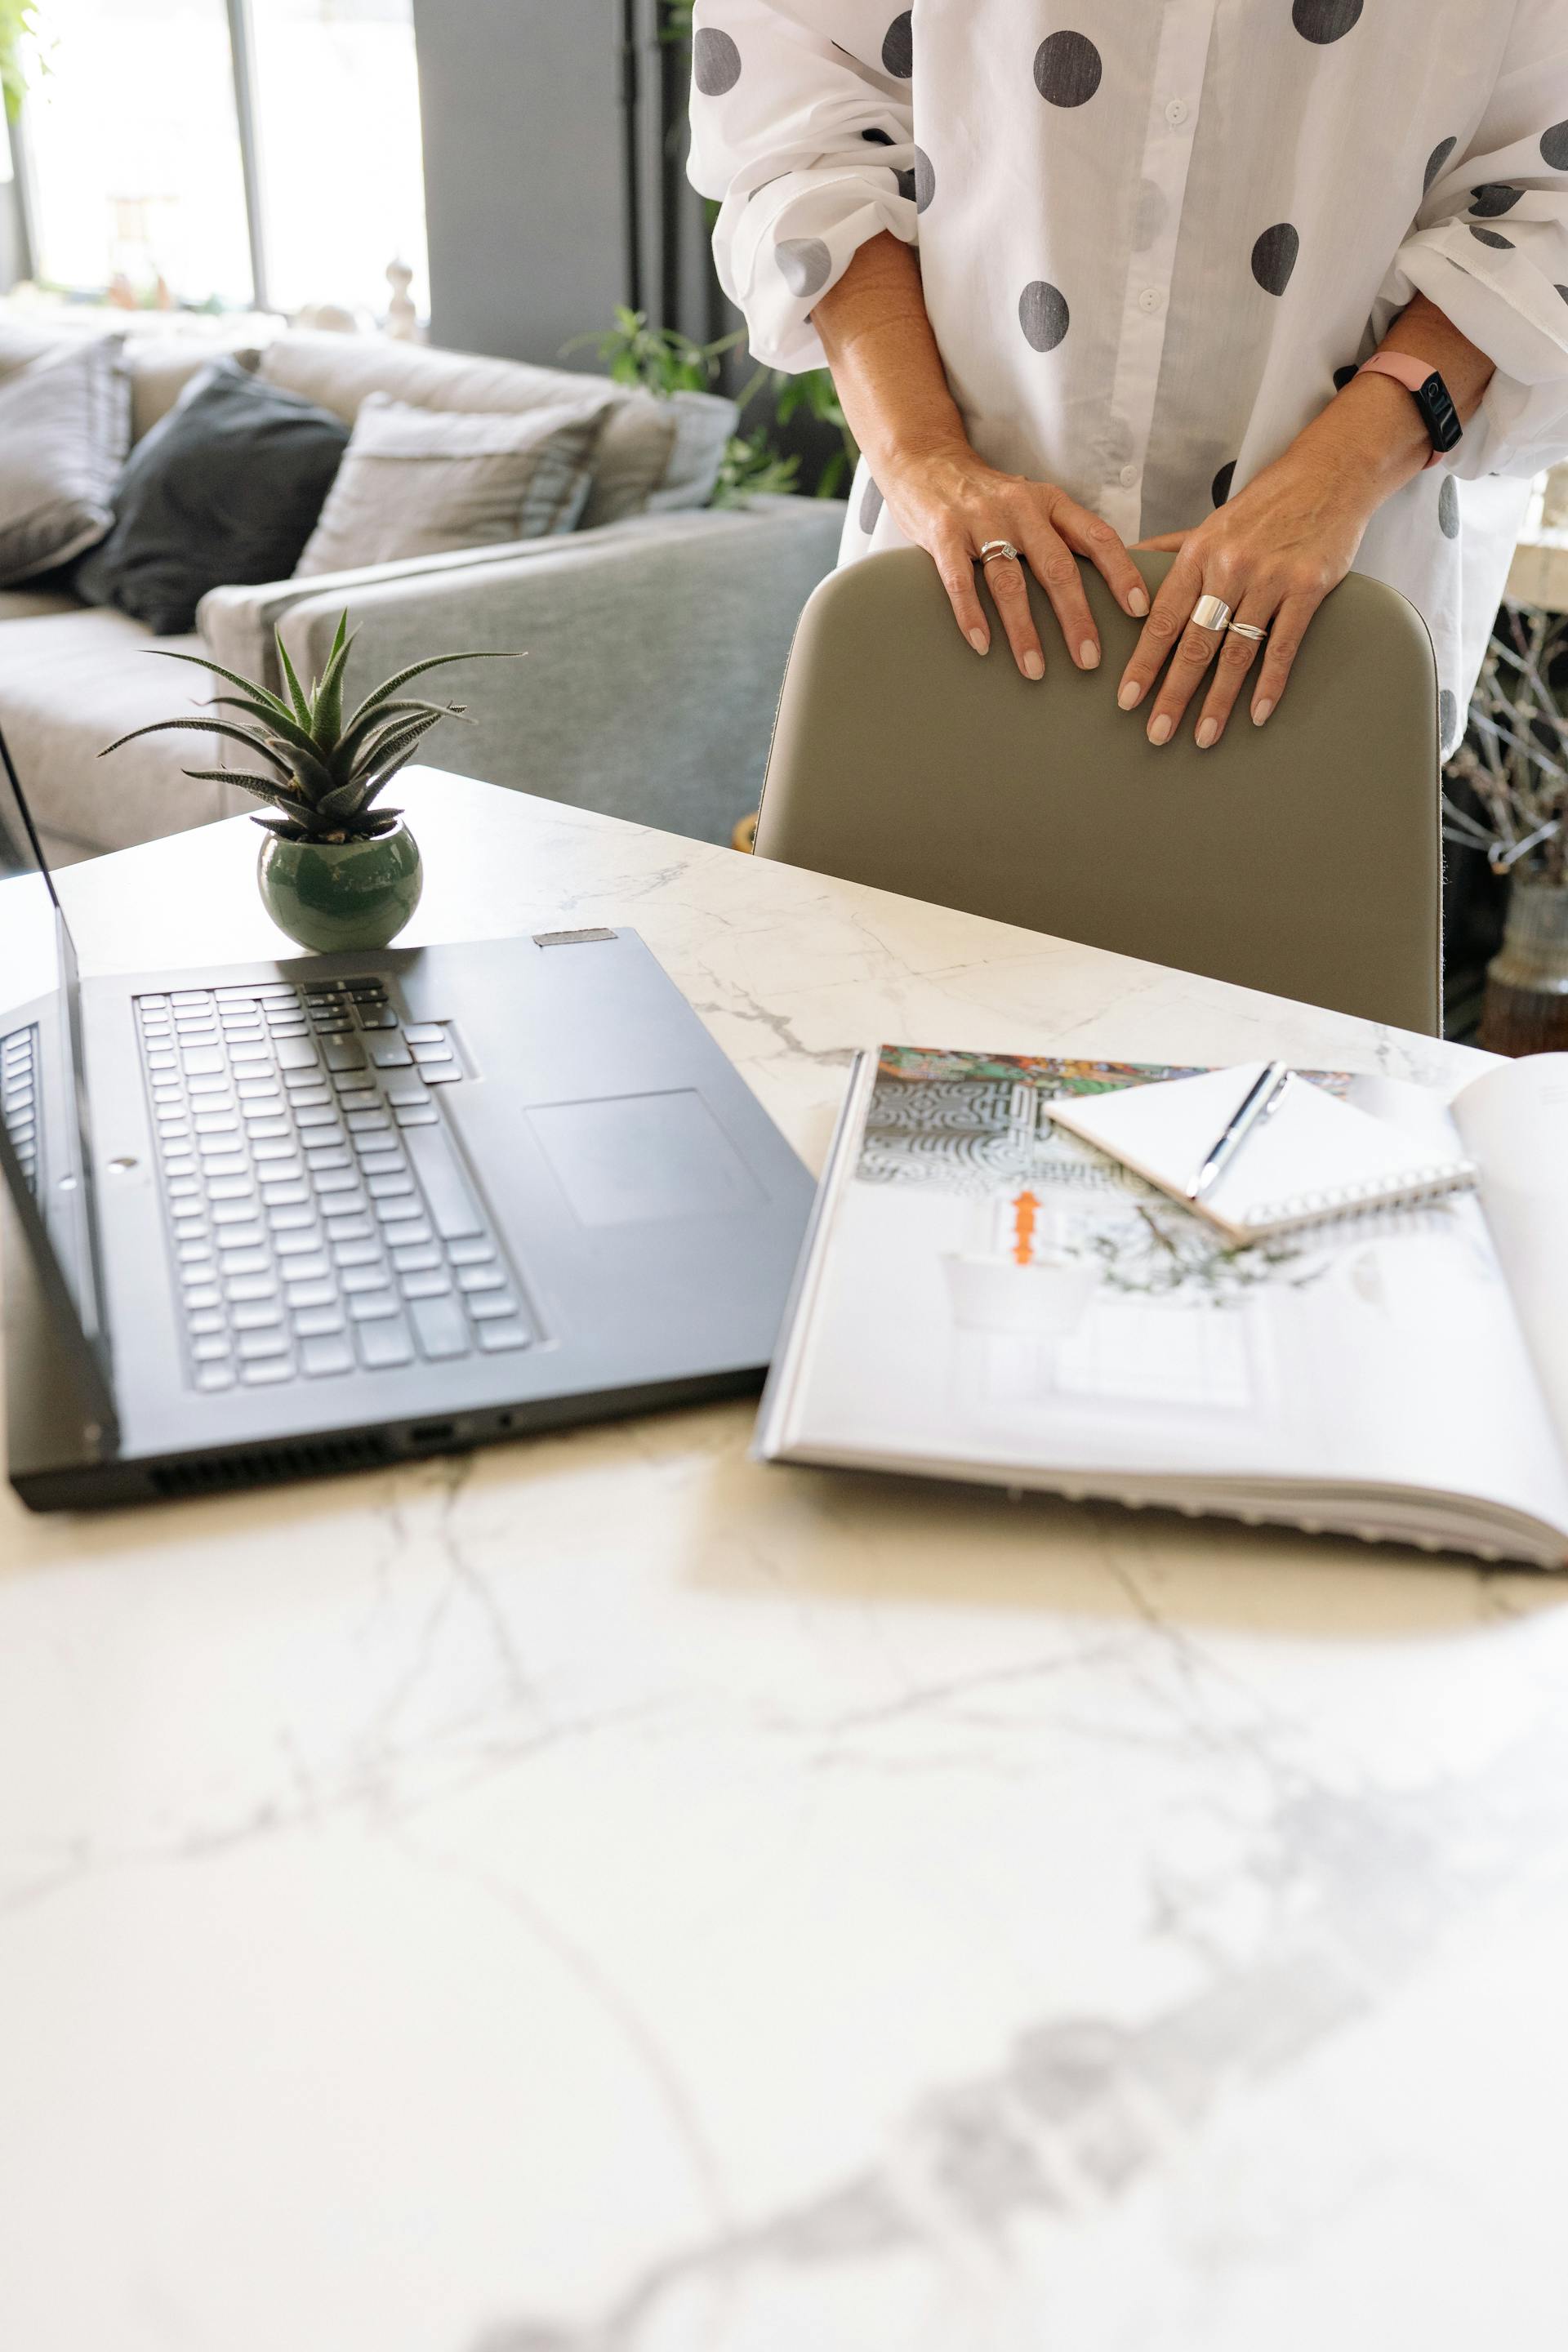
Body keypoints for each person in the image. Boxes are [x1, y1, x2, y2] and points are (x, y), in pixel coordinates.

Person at [688, 2, 1568, 755]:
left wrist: (1332, 482)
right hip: (947, 576)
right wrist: (920, 452)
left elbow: (1548, 203)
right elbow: (799, 120)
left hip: (1326, 600)